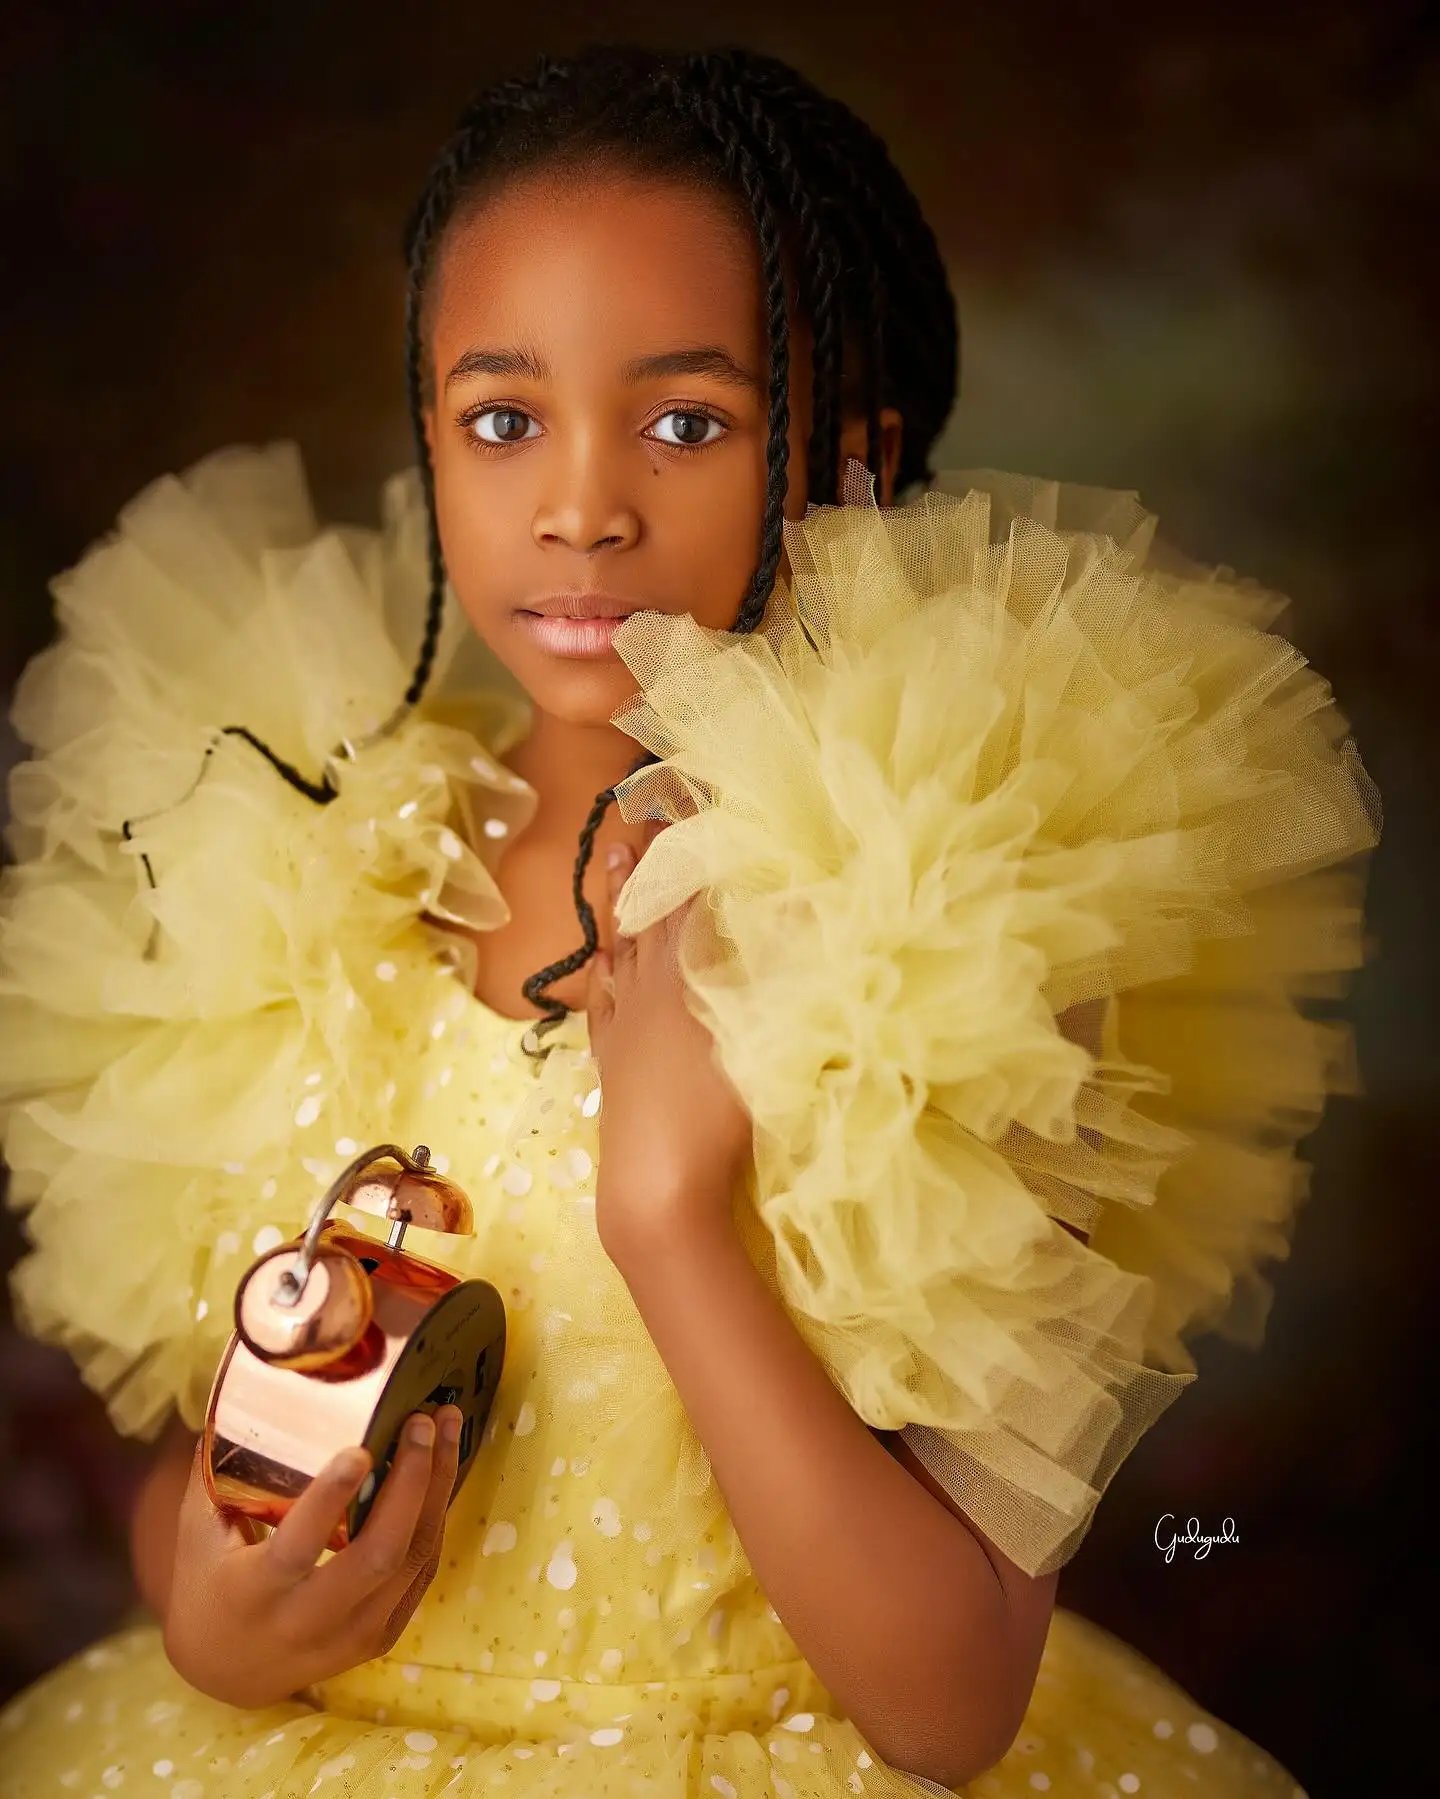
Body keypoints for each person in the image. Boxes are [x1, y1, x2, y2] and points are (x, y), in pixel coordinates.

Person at [0, 42, 1377, 1799]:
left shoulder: (952, 925)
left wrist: (671, 1219)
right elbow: (227, 1442)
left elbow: (950, 1702)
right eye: (505, 418)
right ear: (428, 431)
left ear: (853, 459)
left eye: (686, 419)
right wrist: (204, 1604)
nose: (583, 504)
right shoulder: (318, 849)